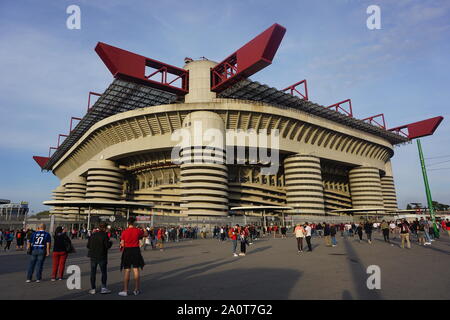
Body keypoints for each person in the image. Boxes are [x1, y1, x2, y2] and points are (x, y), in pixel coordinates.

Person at [119, 217, 148, 296]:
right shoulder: (137, 231)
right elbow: (146, 235)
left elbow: (122, 243)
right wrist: (144, 229)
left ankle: (125, 290)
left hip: (127, 251)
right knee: (136, 270)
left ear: (128, 223)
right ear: (134, 223)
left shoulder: (124, 232)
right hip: (136, 250)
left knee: (127, 270)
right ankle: (136, 289)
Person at [87, 223, 112, 294]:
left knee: (93, 272)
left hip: (93, 256)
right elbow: (107, 246)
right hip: (102, 256)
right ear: (104, 228)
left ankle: (93, 288)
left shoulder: (93, 235)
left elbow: (88, 246)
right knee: (103, 272)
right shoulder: (105, 236)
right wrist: (110, 243)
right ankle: (103, 288)